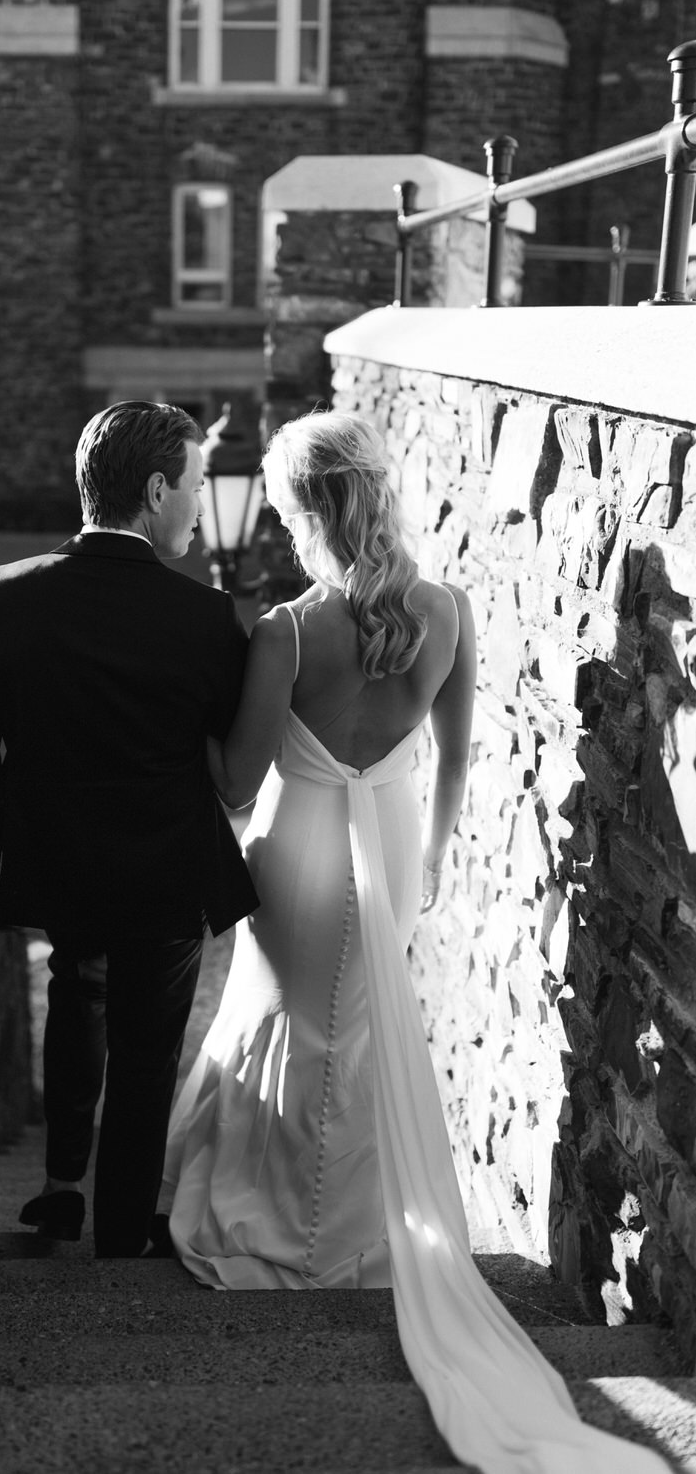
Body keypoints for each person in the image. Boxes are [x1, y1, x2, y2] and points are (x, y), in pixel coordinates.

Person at [162, 410, 671, 1473]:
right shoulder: (446, 610)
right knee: (351, 1025)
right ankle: (347, 1227)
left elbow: (235, 782)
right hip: (389, 842)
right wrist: (429, 858)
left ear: (305, 509)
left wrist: (176, 721)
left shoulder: (286, 635)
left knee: (294, 1019)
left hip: (297, 843)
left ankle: (280, 1223)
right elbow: (451, 761)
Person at [0, 400, 258, 1259]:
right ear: (157, 491)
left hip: (54, 862)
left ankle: (60, 1184)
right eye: (194, 485)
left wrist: (6, 835)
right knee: (148, 1047)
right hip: (165, 869)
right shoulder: (205, 619)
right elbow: (228, 759)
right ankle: (121, 1229)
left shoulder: (0, 597)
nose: (199, 504)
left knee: (74, 988)